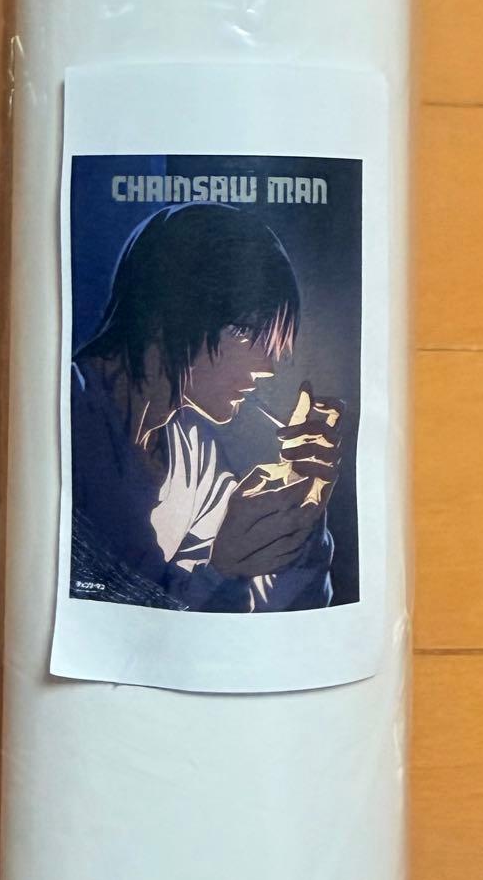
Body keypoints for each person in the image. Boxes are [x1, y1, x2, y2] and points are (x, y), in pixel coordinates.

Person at [70, 203, 345, 612]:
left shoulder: (195, 456)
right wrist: (223, 571)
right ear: (168, 311)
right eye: (245, 331)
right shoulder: (68, 418)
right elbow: (110, 605)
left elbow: (276, 615)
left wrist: (303, 512)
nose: (266, 368)